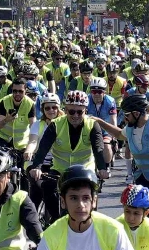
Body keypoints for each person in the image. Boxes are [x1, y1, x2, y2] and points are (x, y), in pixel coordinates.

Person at [28, 91, 116, 221]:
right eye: (71, 111)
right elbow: (43, 148)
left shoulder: (92, 125)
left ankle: (91, 221)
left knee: (91, 195)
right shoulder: (56, 124)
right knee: (47, 187)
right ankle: (56, 220)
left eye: (80, 112)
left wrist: (102, 168)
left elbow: (98, 149)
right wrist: (36, 166)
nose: (75, 115)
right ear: (65, 110)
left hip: (85, 170)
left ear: (85, 111)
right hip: (60, 170)